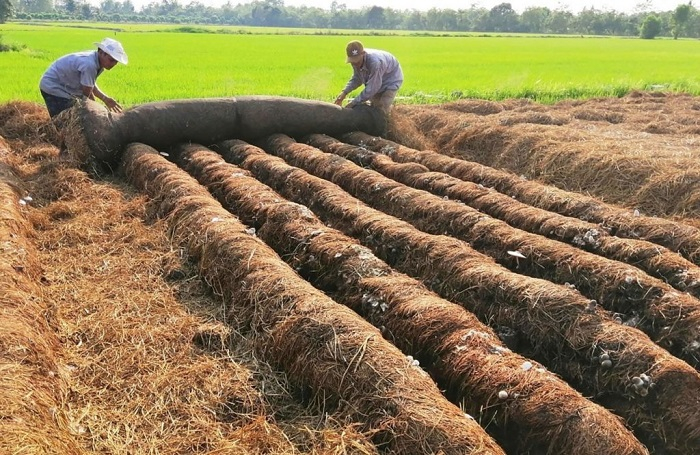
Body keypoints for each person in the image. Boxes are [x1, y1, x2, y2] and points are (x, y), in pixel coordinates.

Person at [39, 38, 128, 119]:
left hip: (65, 87)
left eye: (116, 62)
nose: (113, 64)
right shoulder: (90, 64)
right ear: (101, 52)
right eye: (111, 60)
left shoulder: (98, 62)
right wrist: (98, 110)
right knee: (65, 119)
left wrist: (105, 99)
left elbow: (90, 85)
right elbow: (87, 94)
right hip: (52, 86)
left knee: (78, 113)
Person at [334, 40, 403, 115]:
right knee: (373, 106)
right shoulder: (355, 63)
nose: (355, 64)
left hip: (391, 80)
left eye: (357, 62)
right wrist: (344, 93)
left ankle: (387, 122)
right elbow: (357, 78)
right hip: (376, 79)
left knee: (381, 110)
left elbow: (372, 88)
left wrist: (353, 103)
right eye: (353, 62)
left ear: (363, 54)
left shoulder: (375, 63)